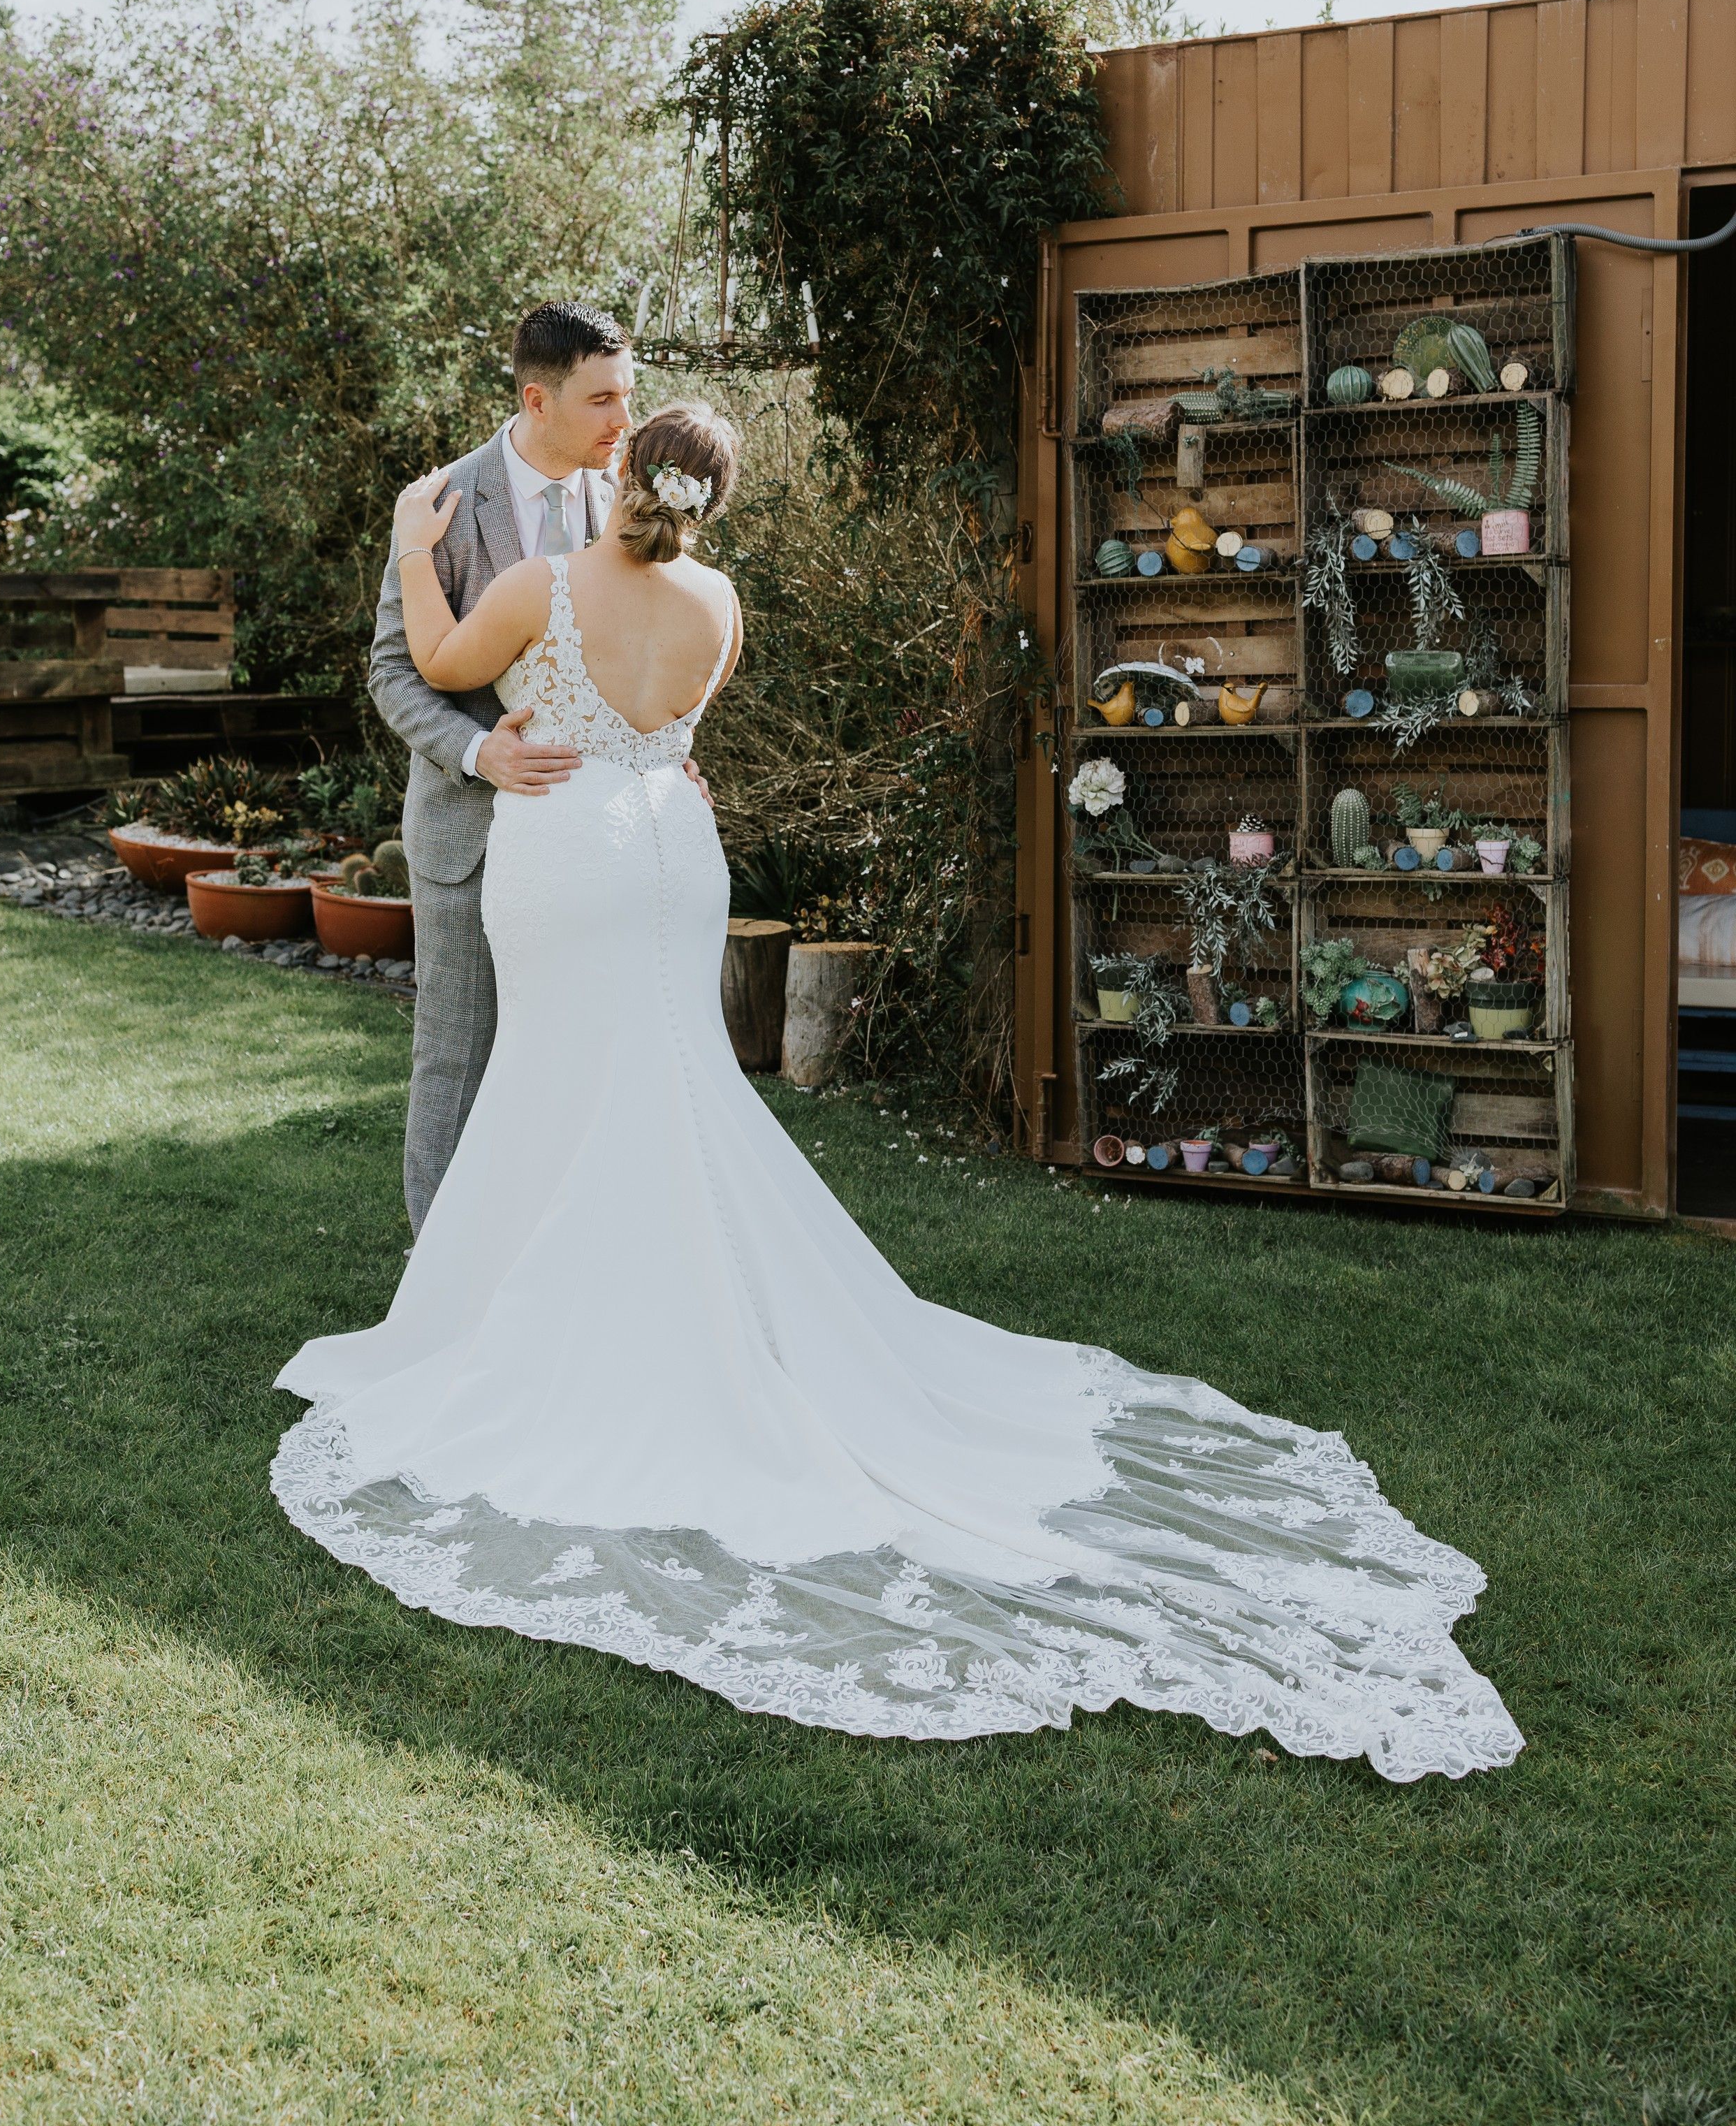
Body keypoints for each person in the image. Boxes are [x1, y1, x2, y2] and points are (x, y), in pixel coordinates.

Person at [273, 401, 1522, 1776]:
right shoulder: (721, 601)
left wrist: (407, 545)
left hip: (566, 854)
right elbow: (670, 729)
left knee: (568, 1083)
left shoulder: (535, 586)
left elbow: (444, 662)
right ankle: (685, 1313)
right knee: (668, 1088)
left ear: (623, 477)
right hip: (671, 854)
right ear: (714, 499)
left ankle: (567, 1338)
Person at [367, 299, 701, 1232]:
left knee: (577, 1052)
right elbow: (393, 671)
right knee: (456, 1058)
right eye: (603, 400)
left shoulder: (629, 504)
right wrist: (480, 752)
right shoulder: (437, 506)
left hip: (596, 844)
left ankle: (557, 1256)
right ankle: (439, 1277)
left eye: (628, 397)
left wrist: (669, 755)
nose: (624, 423)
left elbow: (655, 651)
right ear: (536, 399)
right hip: (472, 836)